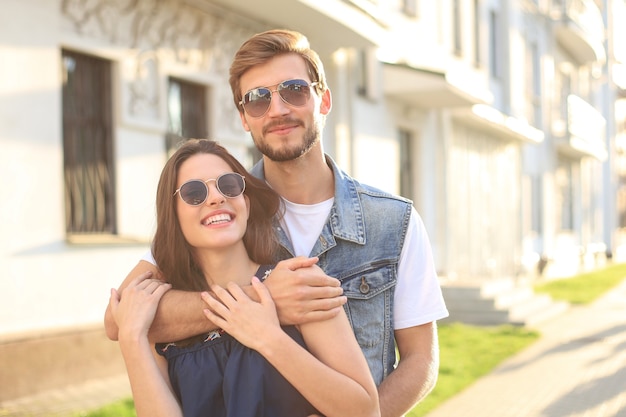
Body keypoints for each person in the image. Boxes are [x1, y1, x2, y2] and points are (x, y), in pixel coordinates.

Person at [105, 29, 448, 417]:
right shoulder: (221, 212)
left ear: (324, 100)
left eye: (295, 90)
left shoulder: (394, 221)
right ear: (244, 119)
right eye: (258, 99)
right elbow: (118, 320)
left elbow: (421, 361)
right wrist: (262, 298)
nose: (278, 109)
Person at [109, 139, 380, 417]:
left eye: (228, 185)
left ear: (246, 204)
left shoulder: (297, 284)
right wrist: (131, 339)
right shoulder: (164, 318)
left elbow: (365, 411)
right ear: (174, 217)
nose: (216, 198)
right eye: (194, 193)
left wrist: (269, 338)